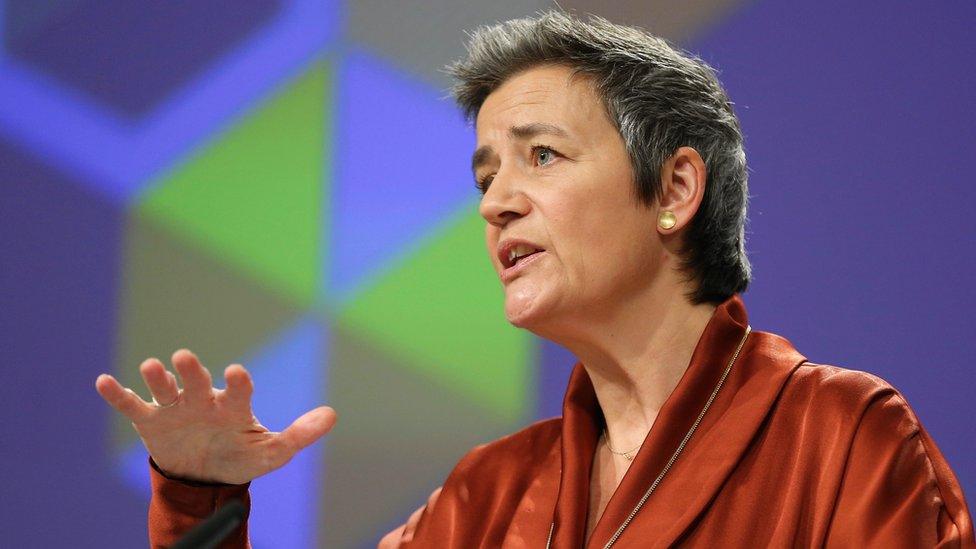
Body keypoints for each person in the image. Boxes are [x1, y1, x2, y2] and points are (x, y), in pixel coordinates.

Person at [96, 11, 974, 548]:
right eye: (484, 177)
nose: (496, 205)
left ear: (673, 189)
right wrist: (199, 501)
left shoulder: (841, 435)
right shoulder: (486, 496)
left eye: (541, 157)